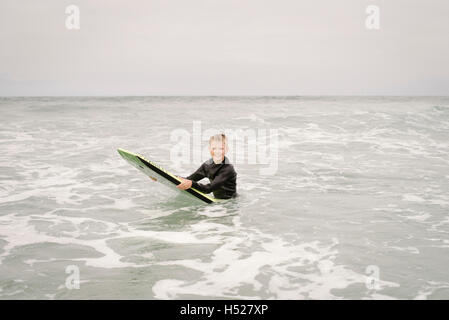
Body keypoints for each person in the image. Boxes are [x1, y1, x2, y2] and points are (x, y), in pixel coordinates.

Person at [176, 133, 237, 199]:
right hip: (220, 202)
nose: (217, 151)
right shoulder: (207, 165)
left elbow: (208, 189)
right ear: (209, 148)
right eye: (214, 148)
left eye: (221, 148)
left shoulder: (228, 169)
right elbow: (190, 179)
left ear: (226, 149)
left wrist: (192, 184)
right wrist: (177, 178)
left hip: (231, 203)